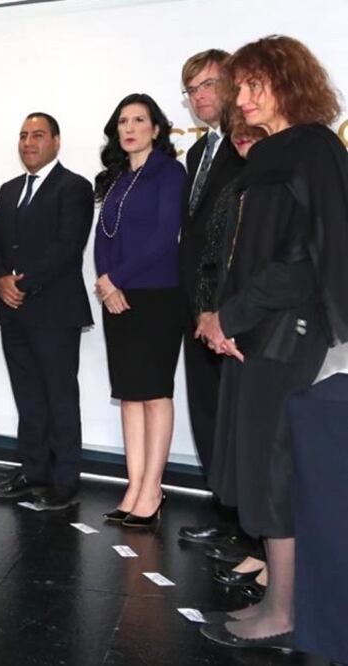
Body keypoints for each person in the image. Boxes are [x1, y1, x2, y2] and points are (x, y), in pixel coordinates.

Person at [196, 35, 348, 650]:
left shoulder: (312, 149)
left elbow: (304, 263)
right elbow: (241, 253)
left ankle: (284, 609)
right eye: (242, 85)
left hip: (287, 330)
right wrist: (222, 317)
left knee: (274, 467)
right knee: (259, 466)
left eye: (258, 83)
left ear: (289, 83)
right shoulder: (275, 153)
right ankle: (277, 598)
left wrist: (231, 316)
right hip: (257, 329)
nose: (244, 97)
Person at [0, 112, 94, 509]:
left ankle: (65, 481)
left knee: (60, 397)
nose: (28, 142)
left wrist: (21, 284)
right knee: (28, 396)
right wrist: (0, 280)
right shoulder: (10, 189)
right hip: (13, 311)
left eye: (38, 135)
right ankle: (33, 471)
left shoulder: (75, 187)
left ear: (57, 141)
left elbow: (68, 248)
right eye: (23, 135)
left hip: (54, 311)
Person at [93, 93, 186, 527]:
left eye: (139, 120)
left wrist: (117, 279)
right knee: (130, 395)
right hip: (118, 296)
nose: (129, 128)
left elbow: (165, 237)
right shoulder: (114, 179)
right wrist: (105, 279)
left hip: (156, 296)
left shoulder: (170, 172)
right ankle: (133, 486)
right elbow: (103, 237)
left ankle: (153, 489)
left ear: (156, 128)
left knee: (155, 394)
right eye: (122, 121)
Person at [176, 48, 248, 547]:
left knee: (238, 416)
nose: (200, 96)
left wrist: (222, 307)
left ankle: (249, 528)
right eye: (192, 89)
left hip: (232, 308)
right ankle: (223, 511)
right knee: (205, 410)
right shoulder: (199, 152)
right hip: (193, 304)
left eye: (208, 84)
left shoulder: (251, 145)